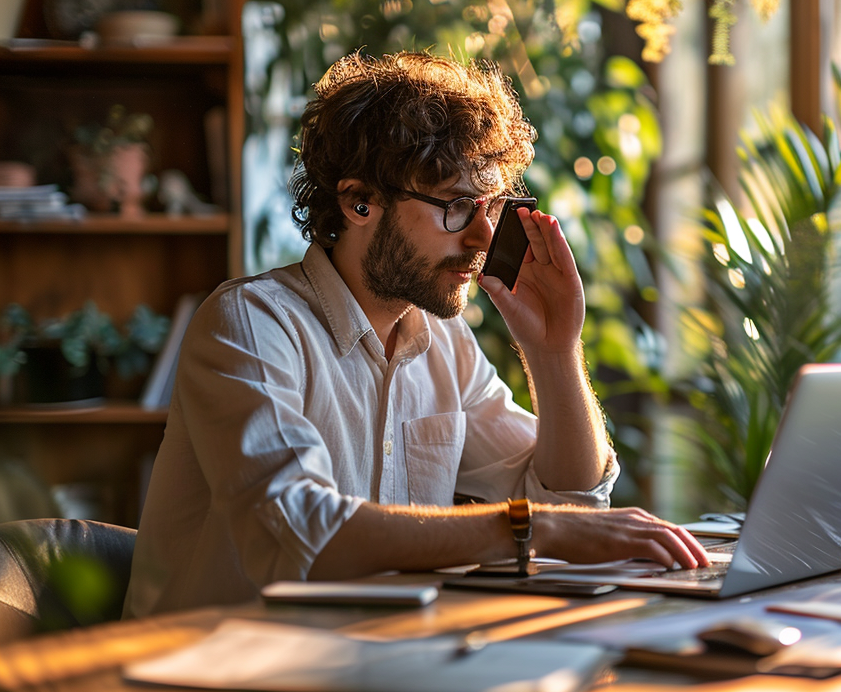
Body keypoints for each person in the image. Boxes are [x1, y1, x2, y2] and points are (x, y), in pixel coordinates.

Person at [124, 51, 707, 617]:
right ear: (359, 203)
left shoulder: (443, 343)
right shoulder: (253, 324)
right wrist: (532, 527)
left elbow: (569, 503)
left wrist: (554, 352)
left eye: (491, 207)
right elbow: (301, 530)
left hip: (375, 664)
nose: (482, 239)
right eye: (455, 207)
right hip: (213, 683)